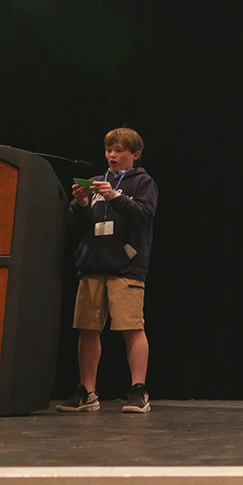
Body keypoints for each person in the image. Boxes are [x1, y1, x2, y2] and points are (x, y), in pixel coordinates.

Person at [56, 127, 158, 413]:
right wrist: (80, 204)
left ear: (134, 155)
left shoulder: (143, 182)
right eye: (109, 150)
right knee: (87, 329)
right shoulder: (95, 182)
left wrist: (115, 197)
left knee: (131, 327)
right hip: (91, 265)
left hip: (125, 267)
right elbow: (75, 227)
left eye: (119, 150)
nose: (112, 155)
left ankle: (139, 391)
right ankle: (87, 392)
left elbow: (143, 216)